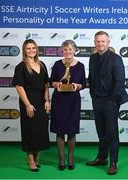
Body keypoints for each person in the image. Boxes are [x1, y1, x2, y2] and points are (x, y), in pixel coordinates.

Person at [86, 31, 128, 175]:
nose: (100, 44)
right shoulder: (92, 58)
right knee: (101, 132)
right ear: (94, 43)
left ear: (108, 42)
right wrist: (92, 95)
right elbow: (91, 77)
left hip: (111, 101)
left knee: (111, 133)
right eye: (98, 41)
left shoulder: (116, 59)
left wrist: (112, 100)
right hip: (97, 100)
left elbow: (120, 82)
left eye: (103, 41)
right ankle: (102, 157)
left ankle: (113, 162)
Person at [12, 39, 50, 172]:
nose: (31, 50)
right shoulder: (21, 67)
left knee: (40, 129)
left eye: (33, 48)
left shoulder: (42, 64)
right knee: (30, 129)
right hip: (28, 101)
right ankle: (30, 158)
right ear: (24, 50)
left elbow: (46, 84)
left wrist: (47, 100)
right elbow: (19, 87)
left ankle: (37, 155)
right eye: (28, 48)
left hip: (41, 102)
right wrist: (27, 104)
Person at [50, 40, 86, 170]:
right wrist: (57, 84)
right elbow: (51, 81)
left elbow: (84, 84)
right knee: (59, 131)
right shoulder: (57, 64)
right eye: (65, 49)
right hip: (59, 100)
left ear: (75, 50)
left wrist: (77, 86)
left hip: (73, 101)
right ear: (62, 51)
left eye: (70, 49)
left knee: (71, 131)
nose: (67, 52)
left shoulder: (80, 66)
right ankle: (61, 160)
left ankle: (70, 159)